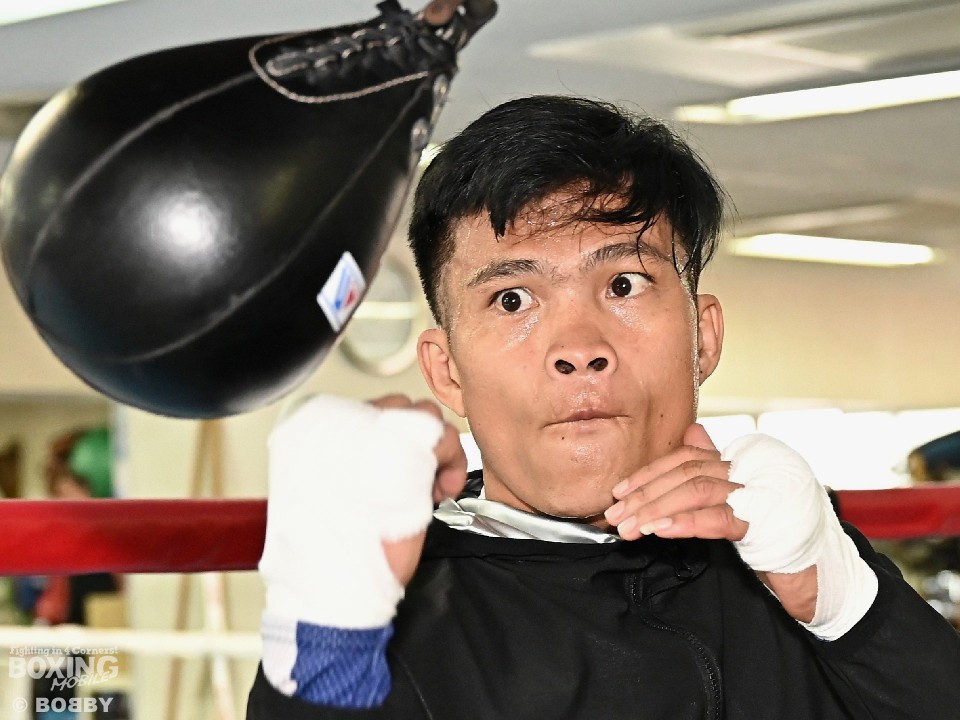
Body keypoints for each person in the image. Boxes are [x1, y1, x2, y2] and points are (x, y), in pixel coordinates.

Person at [247, 96, 960, 719]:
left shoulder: (788, 554)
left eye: (623, 285)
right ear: (447, 371)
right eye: (512, 299)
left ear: (704, 338)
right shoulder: (405, 627)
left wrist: (850, 603)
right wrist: (327, 634)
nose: (579, 349)